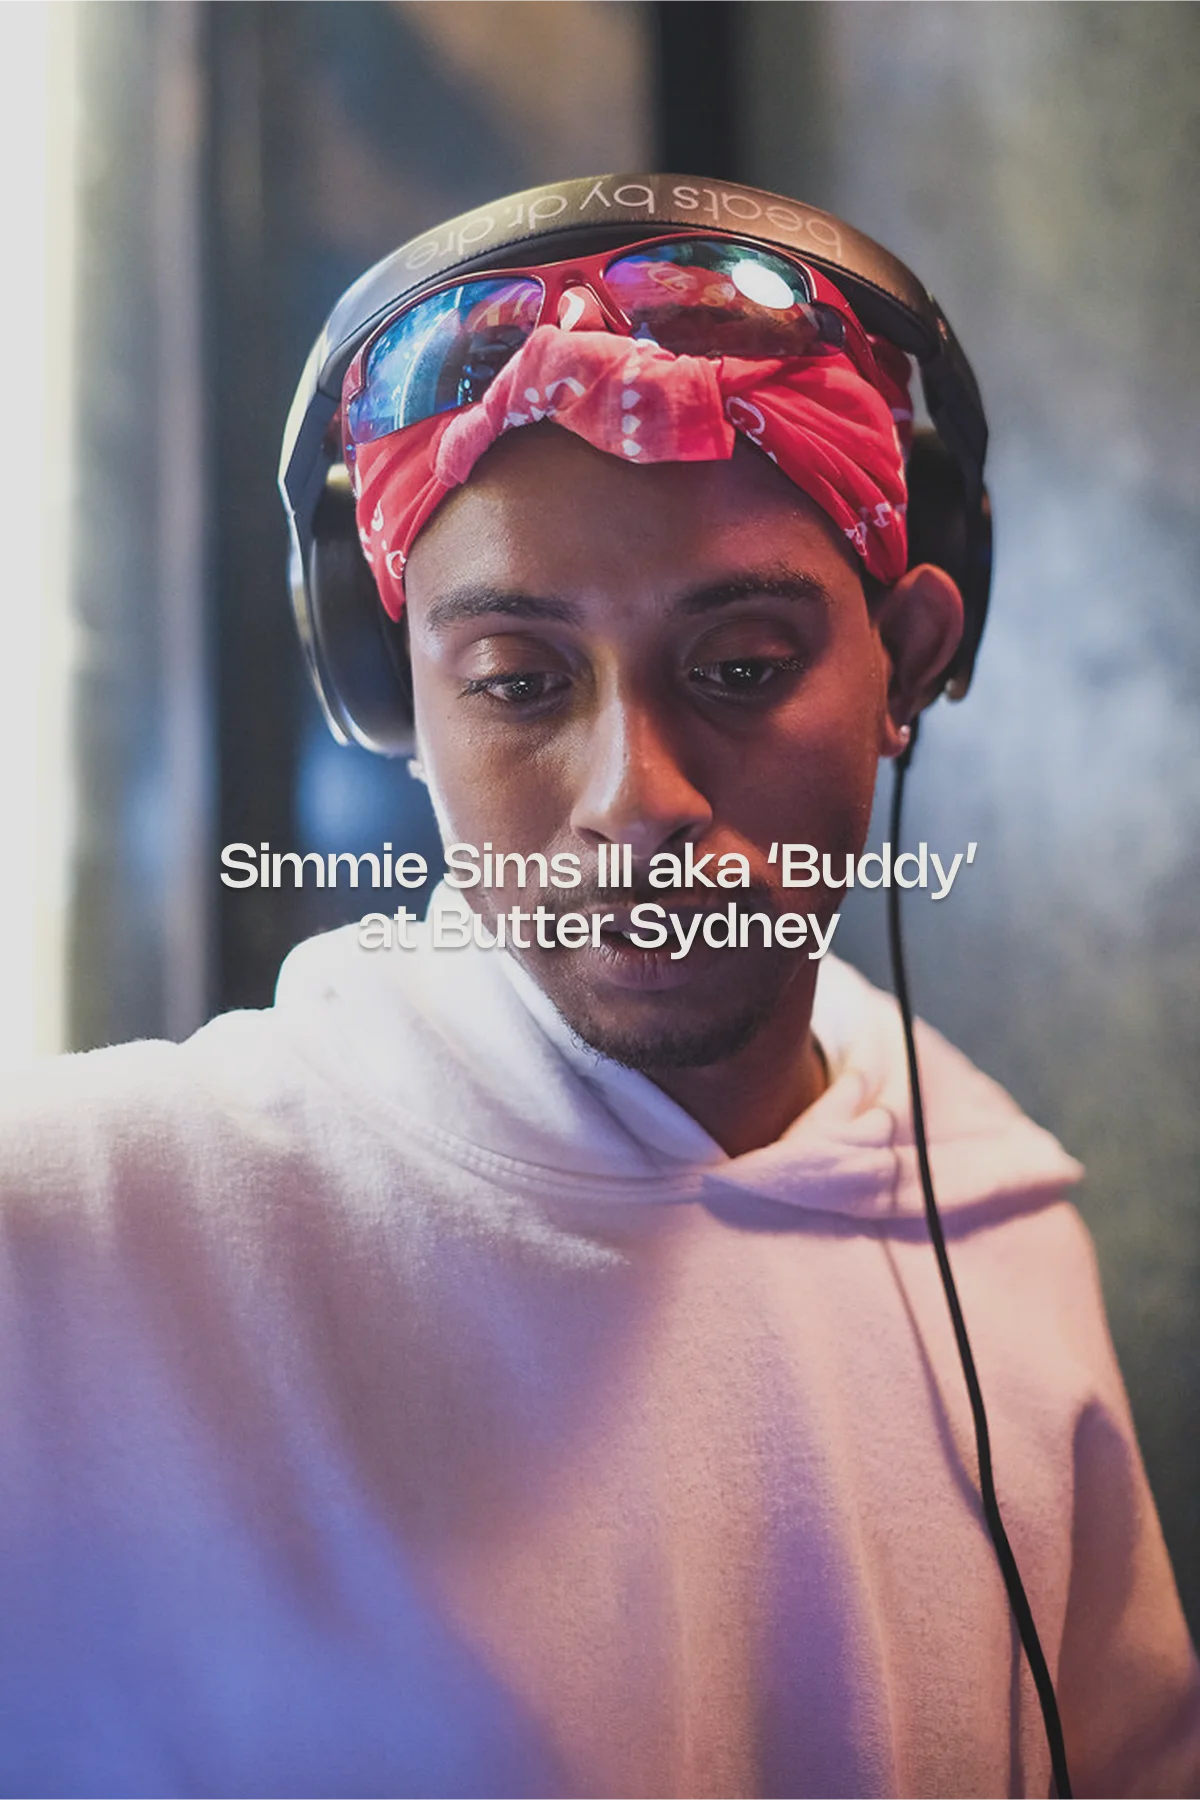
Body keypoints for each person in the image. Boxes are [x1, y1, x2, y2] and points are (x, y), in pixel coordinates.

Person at [1, 178, 1197, 1799]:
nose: (637, 797)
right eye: (517, 682)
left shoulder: (996, 1231)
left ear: (911, 661)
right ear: (396, 698)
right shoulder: (82, 1225)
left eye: (742, 667)